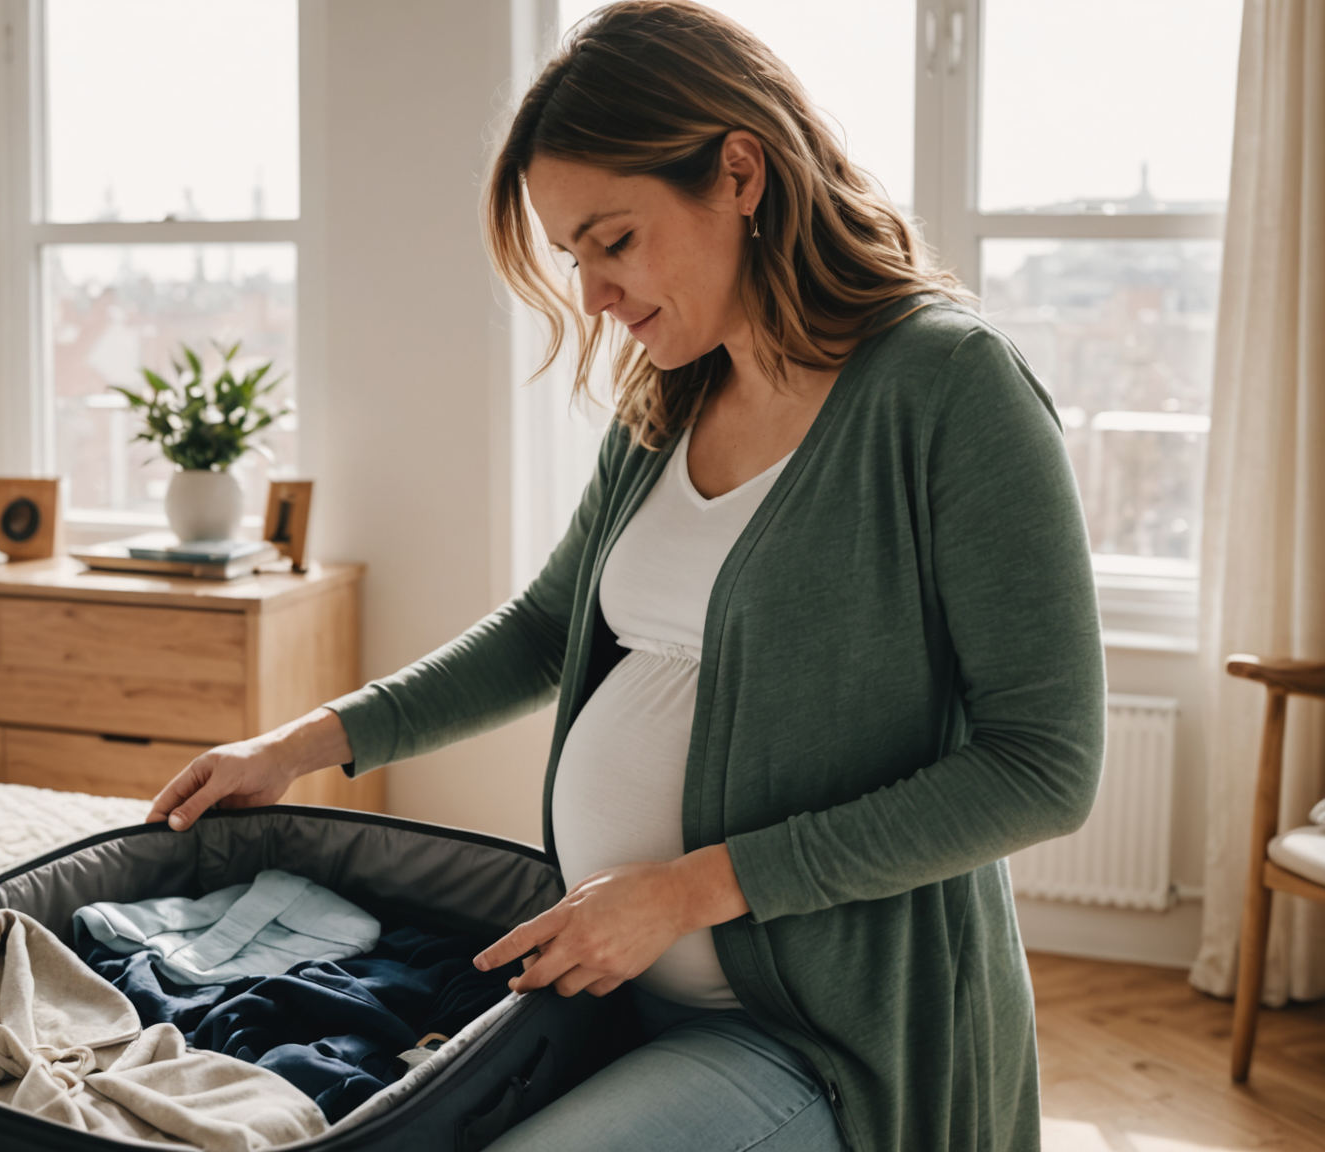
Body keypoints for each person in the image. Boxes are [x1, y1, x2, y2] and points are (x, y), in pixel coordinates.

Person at [146, 3, 1104, 1149]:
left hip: (818, 1036)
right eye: (574, 257)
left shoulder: (948, 389)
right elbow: (548, 630)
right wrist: (302, 745)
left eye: (616, 240)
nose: (594, 295)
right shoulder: (674, 395)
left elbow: (1043, 768)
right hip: (615, 989)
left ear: (739, 172)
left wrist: (688, 891)